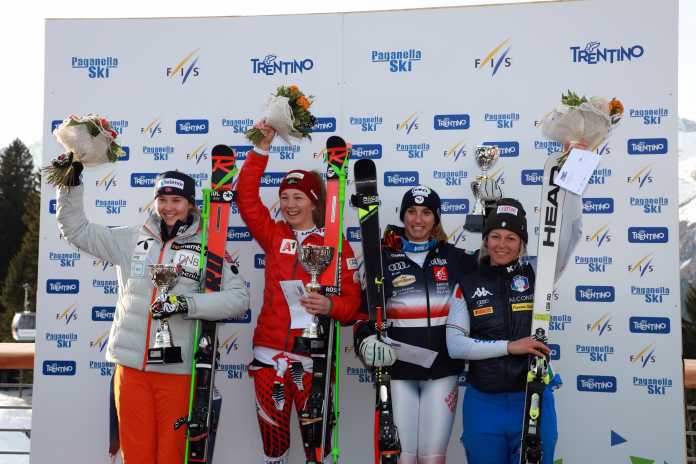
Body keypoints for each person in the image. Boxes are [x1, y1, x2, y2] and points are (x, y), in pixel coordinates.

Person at [54, 164, 250, 463]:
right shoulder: (132, 238)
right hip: (131, 369)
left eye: (176, 200)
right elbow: (76, 230)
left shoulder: (209, 245)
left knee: (172, 455)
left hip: (178, 373)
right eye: (162, 200)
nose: (168, 207)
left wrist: (187, 304)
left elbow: (238, 298)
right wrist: (70, 185)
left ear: (190, 204)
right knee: (135, 455)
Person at [236, 121, 362, 464]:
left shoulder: (336, 244)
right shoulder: (274, 234)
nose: (290, 204)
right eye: (284, 197)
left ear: (315, 202)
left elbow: (352, 307)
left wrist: (330, 305)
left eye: (298, 197)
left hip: (313, 362)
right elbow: (246, 198)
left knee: (316, 451)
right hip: (269, 358)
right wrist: (261, 148)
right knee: (274, 448)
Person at [354, 185, 477, 464]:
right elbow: (363, 315)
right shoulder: (381, 259)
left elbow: (497, 265)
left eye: (426, 212)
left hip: (443, 371)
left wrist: (490, 209)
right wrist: (365, 341)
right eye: (411, 211)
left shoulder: (456, 258)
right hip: (398, 371)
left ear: (436, 218)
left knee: (432, 457)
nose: (418, 219)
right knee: (403, 457)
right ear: (402, 215)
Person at [446, 198, 558, 464]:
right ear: (485, 240)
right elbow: (455, 345)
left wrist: (569, 181)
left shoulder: (539, 273)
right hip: (484, 403)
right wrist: (510, 346)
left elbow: (570, 235)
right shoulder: (468, 283)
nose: (502, 244)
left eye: (511, 238)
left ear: (522, 243)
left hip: (532, 397)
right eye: (495, 236)